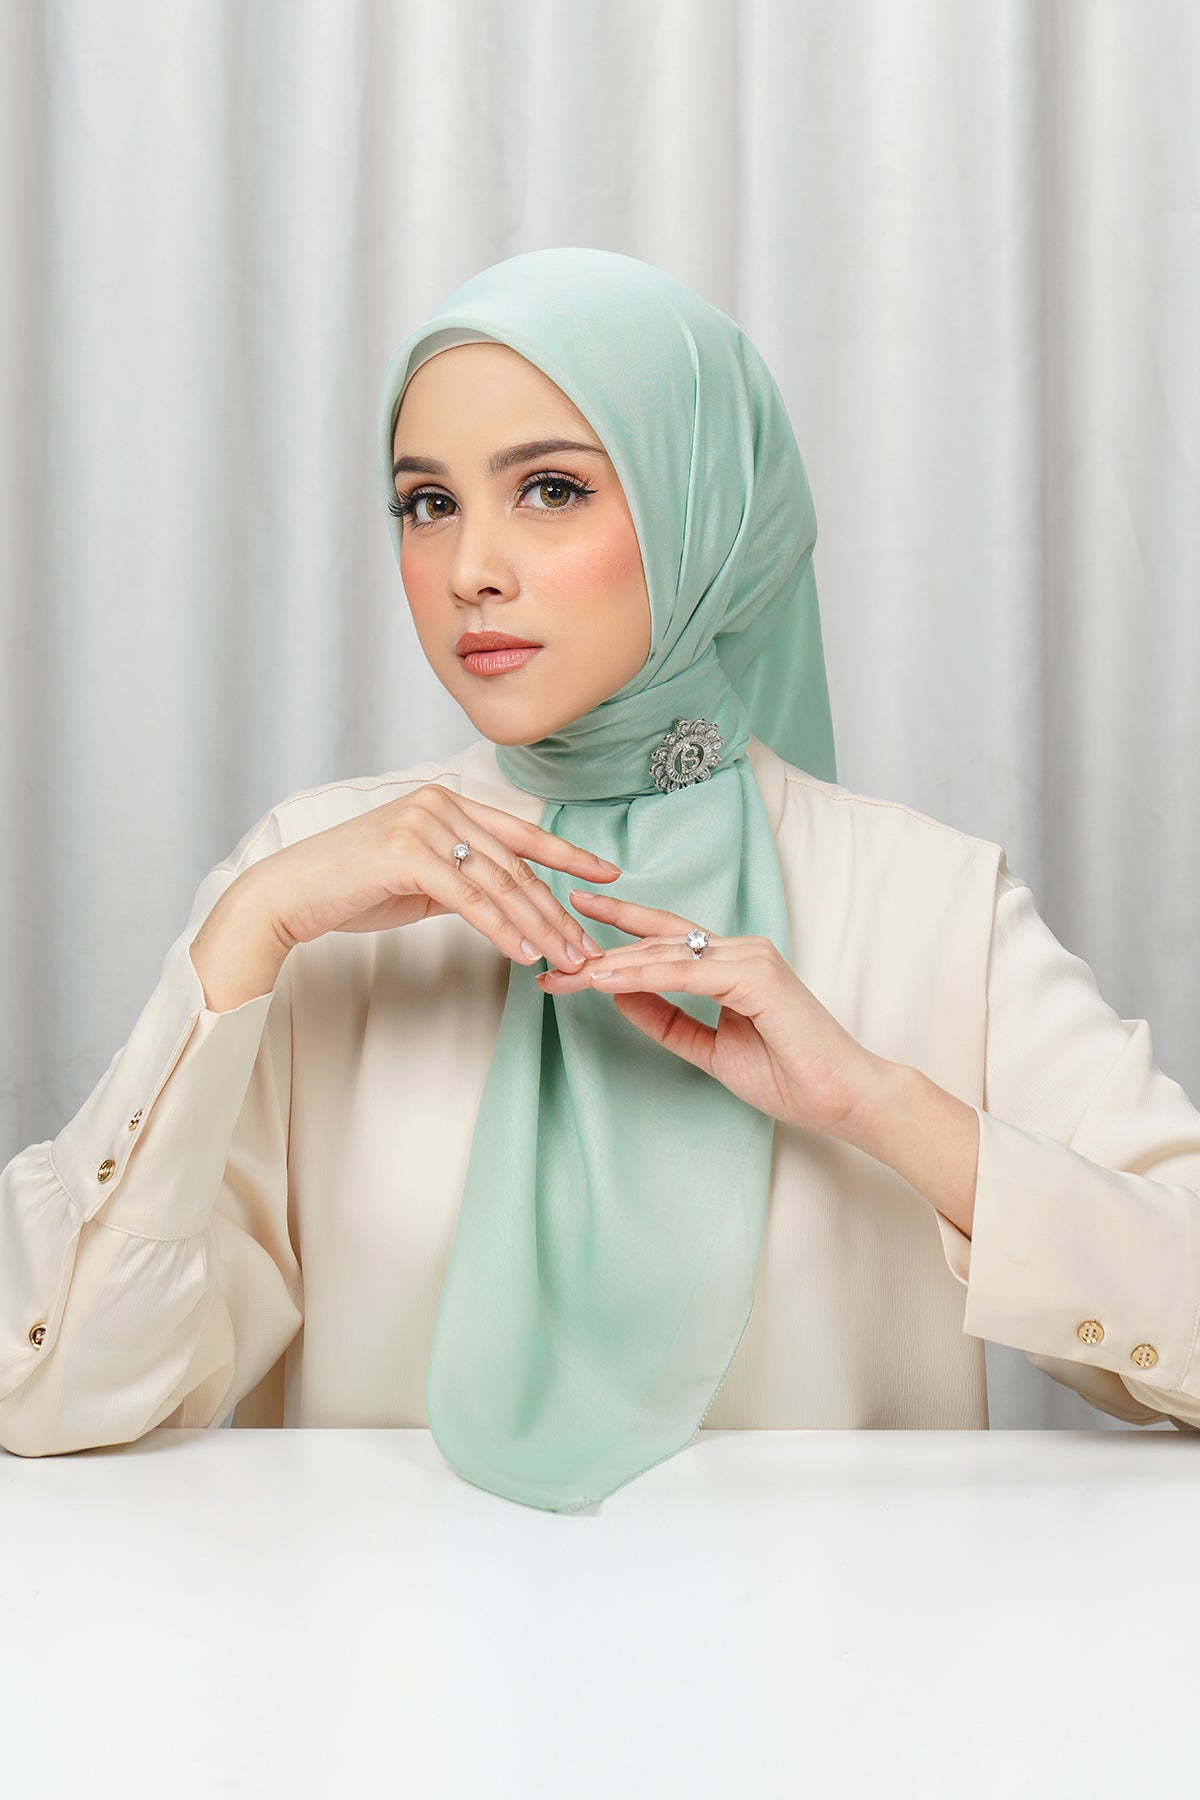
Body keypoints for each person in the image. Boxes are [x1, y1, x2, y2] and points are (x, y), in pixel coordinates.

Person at [2, 249, 1198, 1511]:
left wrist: (880, 1104)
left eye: (552, 489)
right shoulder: (314, 893)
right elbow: (55, 1388)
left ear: (703, 511)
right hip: (392, 1630)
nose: (470, 569)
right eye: (427, 502)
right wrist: (244, 933)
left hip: (828, 1633)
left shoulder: (931, 904)